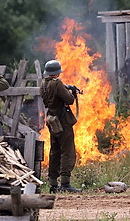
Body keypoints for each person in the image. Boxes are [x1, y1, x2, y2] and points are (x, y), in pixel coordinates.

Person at [40, 59, 82, 193]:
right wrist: (71, 93)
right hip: (62, 121)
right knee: (67, 151)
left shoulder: (44, 83)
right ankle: (65, 183)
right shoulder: (57, 83)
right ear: (57, 73)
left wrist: (66, 88)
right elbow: (69, 100)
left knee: (54, 151)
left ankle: (53, 183)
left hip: (52, 120)